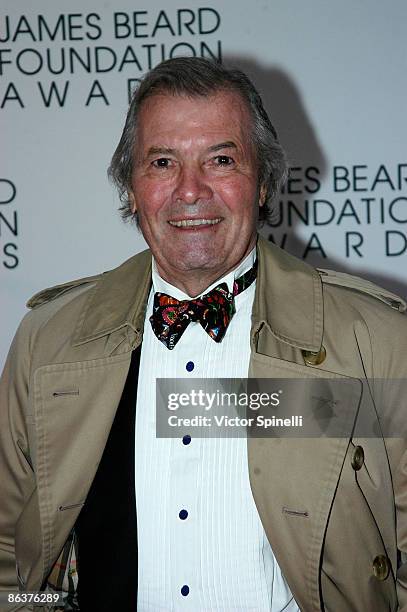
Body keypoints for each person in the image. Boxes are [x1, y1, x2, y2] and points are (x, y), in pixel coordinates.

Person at [1, 56, 406, 612]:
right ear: (131, 189)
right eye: (163, 162)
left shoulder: (375, 342)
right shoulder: (47, 344)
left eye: (221, 159)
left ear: (262, 182)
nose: (190, 191)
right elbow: (11, 560)